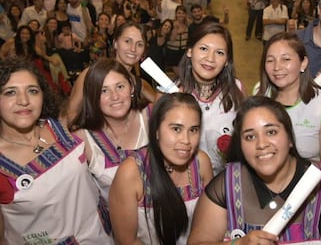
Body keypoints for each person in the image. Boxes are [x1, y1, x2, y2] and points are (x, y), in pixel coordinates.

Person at [188, 96, 321, 245]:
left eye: (271, 132)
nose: (261, 144)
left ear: (289, 138)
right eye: (249, 136)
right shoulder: (226, 187)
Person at [0, 58, 113, 244]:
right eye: (10, 92)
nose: (24, 100)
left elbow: (90, 77)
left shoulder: (61, 126)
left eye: (32, 91)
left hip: (102, 236)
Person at [109, 93, 213, 244]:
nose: (186, 140)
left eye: (193, 130)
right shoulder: (132, 172)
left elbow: (209, 223)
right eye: (176, 129)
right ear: (156, 129)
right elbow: (127, 241)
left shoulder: (201, 163)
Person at [255, 32, 321, 175]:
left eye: (286, 59)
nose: (277, 67)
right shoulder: (259, 94)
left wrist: (288, 173)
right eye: (270, 60)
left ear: (303, 63)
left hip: (307, 189)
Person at [69, 59, 148, 202]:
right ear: (93, 96)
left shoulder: (151, 118)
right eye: (104, 90)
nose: (115, 96)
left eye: (120, 86)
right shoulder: (82, 138)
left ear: (131, 87)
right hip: (111, 222)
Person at [178, 22, 244, 174]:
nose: (210, 58)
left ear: (227, 60)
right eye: (203, 49)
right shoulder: (173, 93)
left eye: (219, 52)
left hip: (227, 181)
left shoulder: (237, 89)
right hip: (188, 181)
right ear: (190, 51)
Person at [66, 22, 155, 122]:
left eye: (139, 44)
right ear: (115, 43)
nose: (133, 49)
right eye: (127, 41)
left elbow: (163, 106)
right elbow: (70, 113)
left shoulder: (139, 84)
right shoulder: (91, 74)